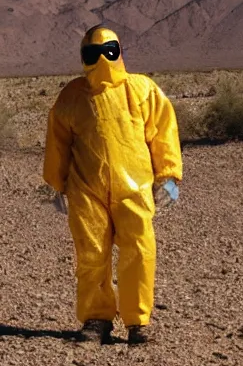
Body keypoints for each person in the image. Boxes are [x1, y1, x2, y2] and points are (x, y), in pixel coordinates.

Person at [43, 25, 182, 345]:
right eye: (94, 54)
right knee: (91, 253)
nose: (103, 59)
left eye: (110, 51)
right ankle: (97, 319)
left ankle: (138, 322)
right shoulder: (72, 96)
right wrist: (56, 183)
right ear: (83, 58)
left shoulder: (142, 90)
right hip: (86, 190)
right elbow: (58, 142)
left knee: (140, 251)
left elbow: (163, 132)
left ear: (119, 51)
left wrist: (170, 176)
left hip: (135, 189)